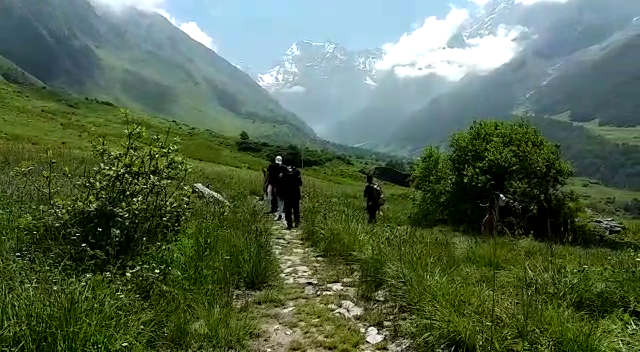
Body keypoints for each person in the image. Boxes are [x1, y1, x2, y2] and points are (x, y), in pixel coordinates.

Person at [280, 157, 302, 230]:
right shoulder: (297, 171)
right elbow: (300, 183)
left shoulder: (283, 172)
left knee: (288, 209)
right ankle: (297, 223)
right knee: (296, 208)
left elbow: (281, 183)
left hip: (287, 193)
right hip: (295, 192)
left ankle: (289, 224)